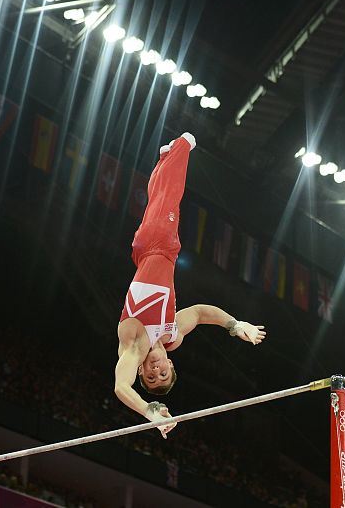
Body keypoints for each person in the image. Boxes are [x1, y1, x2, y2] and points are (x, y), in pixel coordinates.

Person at [114, 132, 266, 439]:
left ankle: (183, 144)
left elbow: (120, 386)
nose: (156, 370)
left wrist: (148, 410)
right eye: (164, 373)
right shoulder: (171, 336)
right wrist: (234, 325)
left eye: (152, 376)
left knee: (169, 195)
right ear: (170, 363)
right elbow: (198, 313)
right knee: (160, 198)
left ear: (142, 371)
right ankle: (164, 158)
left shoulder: (134, 346)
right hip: (154, 251)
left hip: (153, 247)